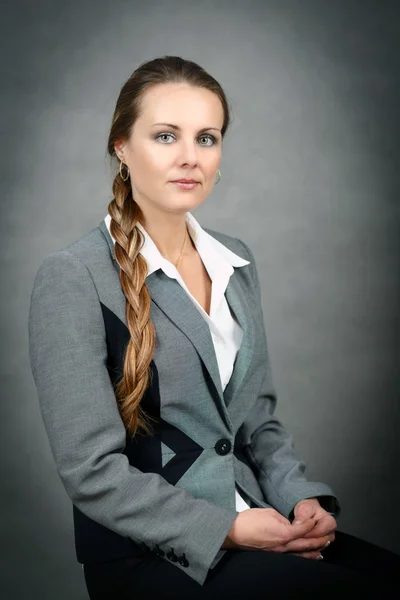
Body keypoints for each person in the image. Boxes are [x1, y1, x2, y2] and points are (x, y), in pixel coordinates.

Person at [28, 56, 400, 599]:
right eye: (165, 136)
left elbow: (257, 423)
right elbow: (91, 471)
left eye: (206, 138)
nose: (189, 158)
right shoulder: (71, 277)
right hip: (152, 554)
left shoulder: (235, 261)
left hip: (257, 515)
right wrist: (225, 530)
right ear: (122, 148)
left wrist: (300, 499)